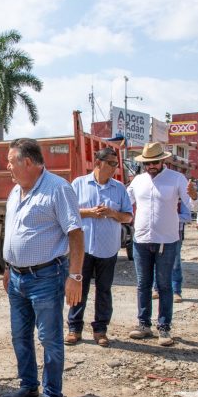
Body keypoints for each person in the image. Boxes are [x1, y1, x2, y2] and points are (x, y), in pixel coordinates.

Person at [0, 138, 83, 397]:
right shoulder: (15, 192)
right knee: (19, 335)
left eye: (11, 161)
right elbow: (14, 232)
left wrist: (75, 276)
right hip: (18, 278)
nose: (7, 166)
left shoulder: (58, 189)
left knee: (49, 338)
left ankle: (51, 396)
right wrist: (9, 266)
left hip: (47, 276)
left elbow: (75, 234)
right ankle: (28, 387)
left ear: (29, 162)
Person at [65, 147, 133, 348]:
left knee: (104, 290)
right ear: (98, 162)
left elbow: (128, 216)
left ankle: (100, 330)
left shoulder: (119, 188)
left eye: (116, 164)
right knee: (79, 289)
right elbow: (68, 212)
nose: (114, 168)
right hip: (82, 249)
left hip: (108, 249)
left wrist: (113, 213)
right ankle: (74, 328)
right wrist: (88, 212)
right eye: (111, 163)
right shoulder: (79, 184)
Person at [126, 142, 191, 347]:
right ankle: (143, 324)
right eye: (147, 163)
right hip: (142, 239)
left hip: (167, 240)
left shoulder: (177, 179)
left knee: (164, 285)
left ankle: (164, 327)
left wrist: (195, 197)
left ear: (162, 160)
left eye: (154, 162)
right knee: (143, 284)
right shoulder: (138, 181)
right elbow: (126, 202)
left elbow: (192, 204)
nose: (151, 166)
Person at [152, 197, 193, 303]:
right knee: (157, 261)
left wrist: (169, 217)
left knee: (175, 263)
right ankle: (156, 289)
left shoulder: (181, 200)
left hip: (175, 234)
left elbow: (187, 217)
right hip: (157, 233)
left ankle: (176, 291)